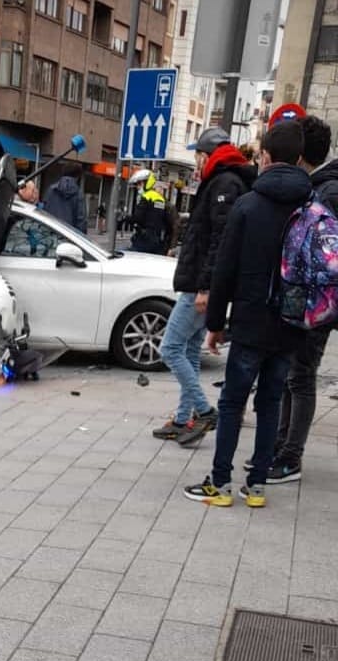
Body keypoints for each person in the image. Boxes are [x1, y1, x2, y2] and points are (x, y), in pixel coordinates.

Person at [184, 119, 312, 508]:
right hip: (290, 324)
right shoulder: (311, 208)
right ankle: (256, 486)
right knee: (271, 401)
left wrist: (215, 325)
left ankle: (219, 484)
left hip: (250, 322)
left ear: (268, 157)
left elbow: (225, 270)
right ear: (301, 160)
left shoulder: (249, 205)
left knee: (232, 402)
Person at [153, 127, 254, 444]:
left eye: (197, 156)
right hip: (200, 282)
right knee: (190, 351)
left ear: (205, 155)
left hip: (201, 285)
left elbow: (220, 242)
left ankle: (203, 410)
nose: (196, 163)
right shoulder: (222, 180)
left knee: (169, 348)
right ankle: (184, 420)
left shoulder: (224, 183)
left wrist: (207, 289)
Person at [263, 114, 338, 482]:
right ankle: (281, 447)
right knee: (295, 373)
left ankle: (291, 456)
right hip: (311, 297)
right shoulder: (321, 185)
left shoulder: (328, 191)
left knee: (301, 375)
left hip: (319, 301)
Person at [129, 170, 171, 254]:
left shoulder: (146, 197)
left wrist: (125, 219)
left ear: (146, 183)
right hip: (157, 241)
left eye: (139, 184)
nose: (138, 187)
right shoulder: (160, 198)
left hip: (144, 240)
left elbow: (138, 217)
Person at [44, 162, 87, 233]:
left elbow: (44, 212)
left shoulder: (51, 190)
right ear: (77, 177)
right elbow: (81, 221)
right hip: (68, 236)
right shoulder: (78, 194)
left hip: (50, 234)